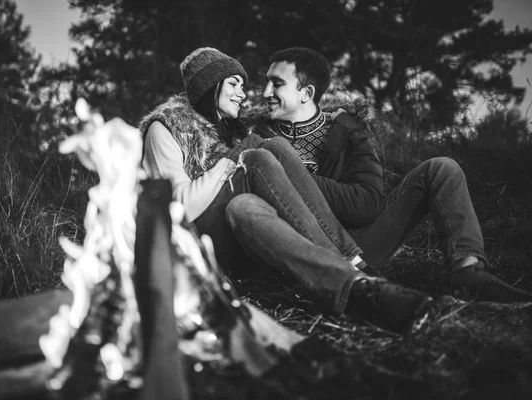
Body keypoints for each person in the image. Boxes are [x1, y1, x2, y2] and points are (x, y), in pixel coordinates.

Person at [140, 47, 433, 334]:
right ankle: (351, 263)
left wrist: (338, 116)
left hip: (238, 237)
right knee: (259, 156)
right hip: (195, 244)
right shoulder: (167, 127)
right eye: (233, 84)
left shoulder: (233, 126)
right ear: (208, 86)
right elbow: (175, 208)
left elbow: (292, 108)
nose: (244, 93)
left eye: (243, 85)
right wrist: (232, 160)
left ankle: (350, 284)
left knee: (246, 202)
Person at [247, 46, 532, 303]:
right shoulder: (255, 136)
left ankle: (468, 274)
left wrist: (294, 175)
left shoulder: (348, 132)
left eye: (277, 84)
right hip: (292, 249)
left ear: (306, 93)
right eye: (267, 82)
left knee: (442, 168)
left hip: (361, 244)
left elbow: (366, 205)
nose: (265, 93)